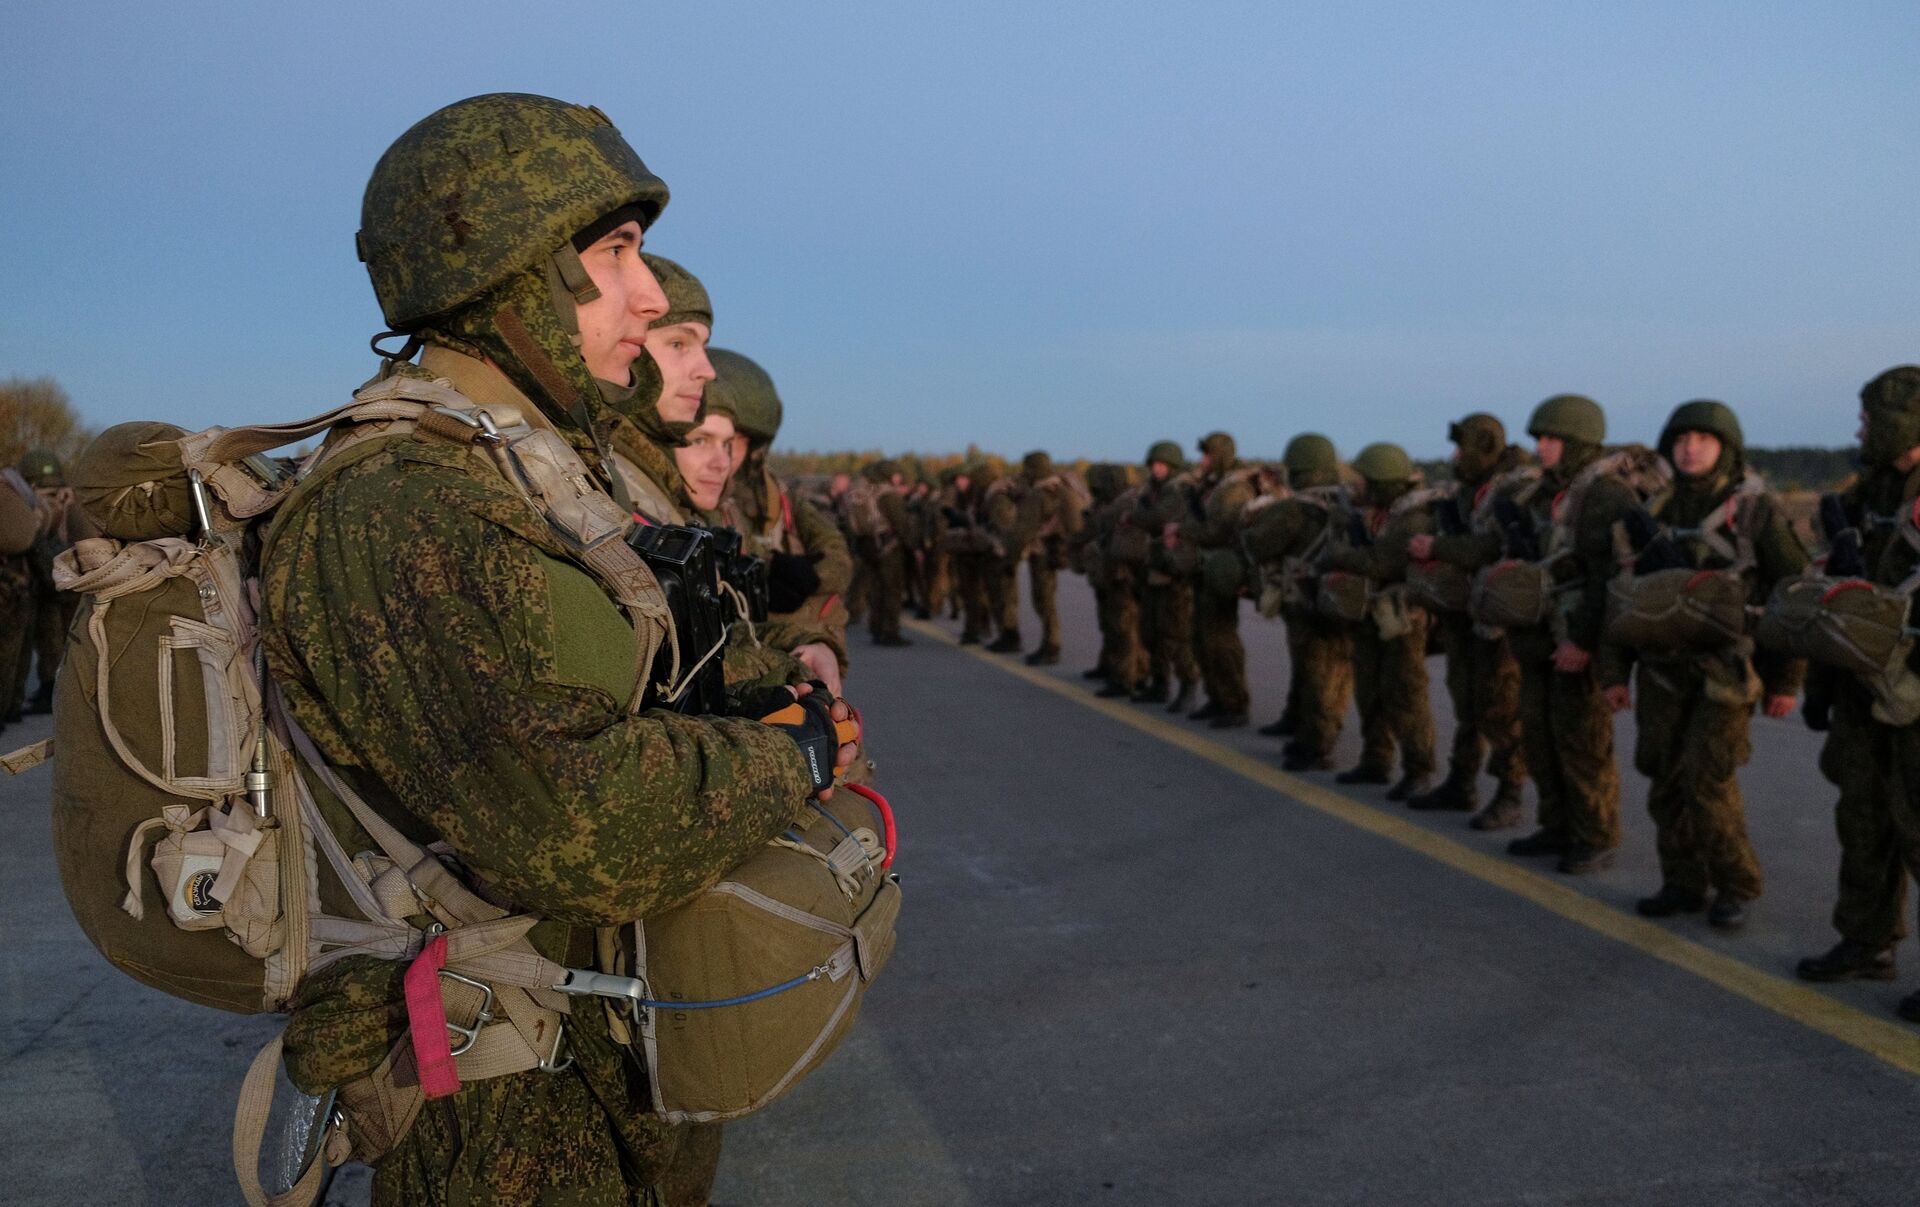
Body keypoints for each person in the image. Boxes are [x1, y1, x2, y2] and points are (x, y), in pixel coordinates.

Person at [261, 92, 858, 1205]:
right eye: (616, 252)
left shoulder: (522, 473)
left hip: (593, 1038)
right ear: (510, 265)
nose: (648, 292)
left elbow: (645, 658)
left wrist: (771, 690)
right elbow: (575, 831)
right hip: (501, 1092)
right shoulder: (402, 503)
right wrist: (796, 755)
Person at [1596, 401, 1806, 929]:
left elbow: (1794, 596)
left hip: (1726, 672)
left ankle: (1737, 884)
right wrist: (1614, 673)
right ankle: (1683, 882)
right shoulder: (1649, 513)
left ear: (1725, 448)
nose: (1690, 449)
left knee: (1707, 780)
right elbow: (1623, 598)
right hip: (1661, 668)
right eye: (1681, 439)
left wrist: (1786, 679)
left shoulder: (1754, 512)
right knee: (1664, 780)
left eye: (1704, 439)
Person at [1796, 367, 1920, 1013]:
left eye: (1870, 420)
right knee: (1864, 819)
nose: (1859, 431)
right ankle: (1866, 941)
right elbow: (1837, 601)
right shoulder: (1866, 495)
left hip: (1914, 689)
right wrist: (1820, 685)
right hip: (1862, 685)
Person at [1490, 395, 1634, 874]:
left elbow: (1607, 578)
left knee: (1582, 741)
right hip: (1537, 635)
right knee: (1539, 736)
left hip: (1575, 637)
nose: (1541, 447)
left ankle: (1595, 834)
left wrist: (1584, 642)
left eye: (1552, 439)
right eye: (1539, 439)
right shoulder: (1541, 493)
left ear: (1578, 442)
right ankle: (1556, 825)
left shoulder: (1606, 496)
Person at [1404, 415, 1530, 822]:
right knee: (1468, 701)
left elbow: (1493, 546)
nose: (1456, 456)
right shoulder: (1469, 490)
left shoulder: (1514, 489)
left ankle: (1511, 791)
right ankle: (1461, 782)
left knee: (1501, 707)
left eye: (1463, 448)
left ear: (1484, 447)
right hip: (1466, 611)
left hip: (1498, 613)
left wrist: (1438, 547)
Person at [713, 346, 855, 691]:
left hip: (788, 646)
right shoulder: (701, 503)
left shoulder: (780, 497)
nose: (722, 455)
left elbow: (837, 557)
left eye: (733, 441)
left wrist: (807, 575)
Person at [1317, 442, 1438, 799]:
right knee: (1369, 689)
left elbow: (1381, 563)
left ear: (1385, 482)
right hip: (1372, 613)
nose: (1359, 485)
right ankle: (1376, 758)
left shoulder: (1413, 518)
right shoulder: (1384, 513)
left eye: (1366, 480)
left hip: (1402, 618)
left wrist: (1341, 555)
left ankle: (1419, 769)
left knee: (1405, 692)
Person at [1242, 433, 1354, 771]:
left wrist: (1250, 521)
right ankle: (1309, 732)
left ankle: (1317, 746)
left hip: (1307, 602)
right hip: (1344, 598)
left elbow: (1258, 545)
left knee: (1317, 674)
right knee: (1336, 674)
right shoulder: (1350, 502)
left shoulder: (1293, 509)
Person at [1177, 432, 1257, 727]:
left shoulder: (1235, 489)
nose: (1203, 461)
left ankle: (1235, 703)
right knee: (1202, 638)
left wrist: (1184, 530)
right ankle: (1216, 696)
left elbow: (1217, 531)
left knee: (1221, 640)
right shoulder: (1214, 486)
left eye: (1208, 455)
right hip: (1205, 569)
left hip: (1222, 571)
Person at [1131, 441, 1199, 710]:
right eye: (1154, 464)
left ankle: (1188, 684)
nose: (1156, 469)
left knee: (1176, 632)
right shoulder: (1154, 490)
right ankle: (1160, 683)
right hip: (1155, 566)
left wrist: (1136, 514)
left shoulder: (1179, 490)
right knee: (1150, 630)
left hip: (1175, 569)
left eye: (1162, 464)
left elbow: (1155, 518)